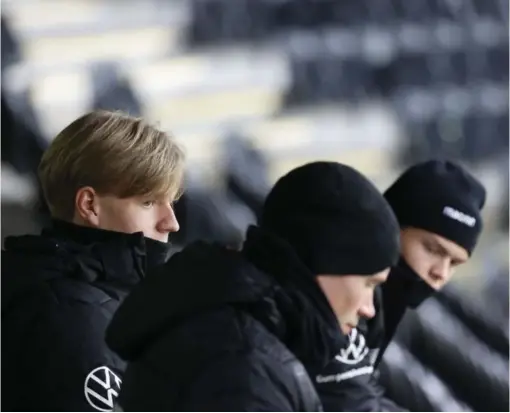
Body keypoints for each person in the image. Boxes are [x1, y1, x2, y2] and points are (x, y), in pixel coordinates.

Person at [105, 161, 401, 411]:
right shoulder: (244, 369)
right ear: (324, 264)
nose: (369, 308)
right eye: (368, 283)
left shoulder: (243, 332)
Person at [1, 110, 184, 412]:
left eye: (171, 202)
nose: (171, 223)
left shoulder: (51, 284)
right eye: (149, 202)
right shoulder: (72, 316)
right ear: (89, 205)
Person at [314, 159, 486, 412]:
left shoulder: (390, 306)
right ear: (391, 227)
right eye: (431, 249)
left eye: (454, 263)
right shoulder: (343, 296)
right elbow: (351, 402)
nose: (441, 272)